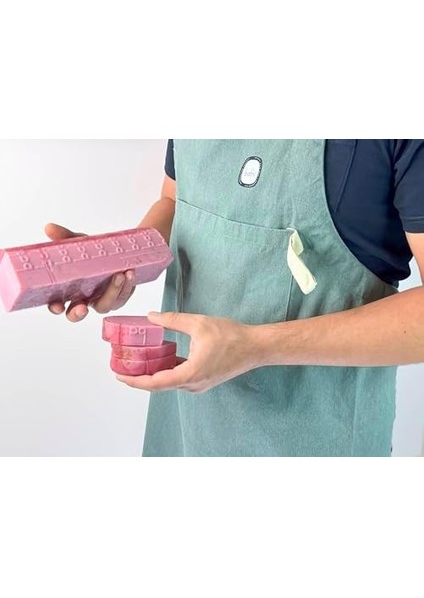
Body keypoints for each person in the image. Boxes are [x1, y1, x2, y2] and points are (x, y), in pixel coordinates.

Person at [46, 139, 424, 456]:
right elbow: (176, 200)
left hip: (315, 442)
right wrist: (122, 258)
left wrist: (258, 346)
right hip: (181, 429)